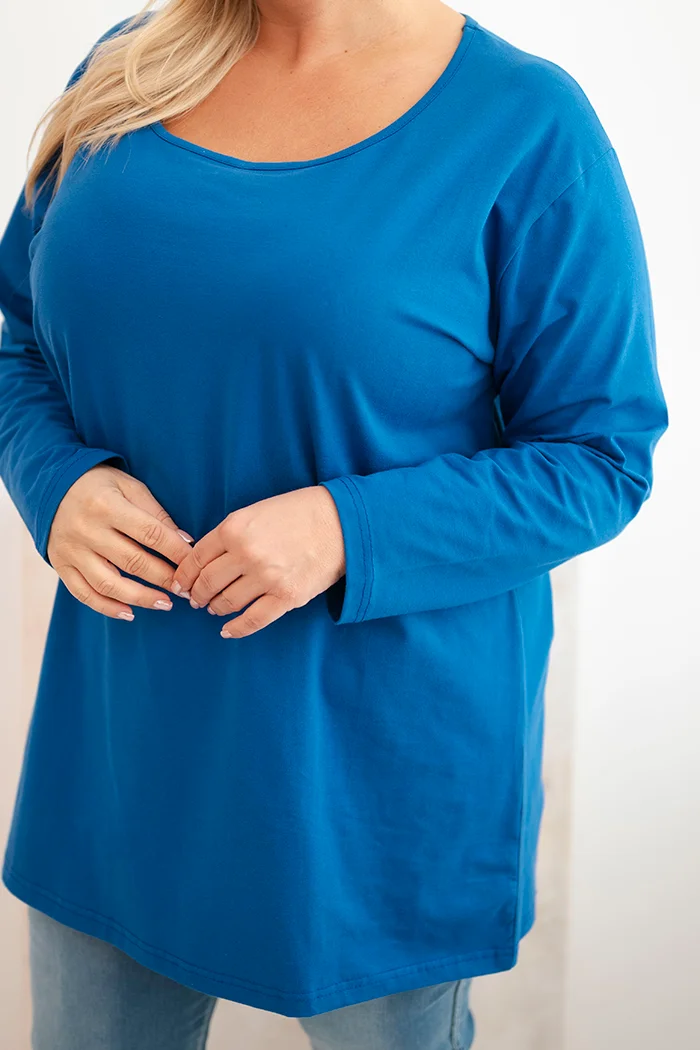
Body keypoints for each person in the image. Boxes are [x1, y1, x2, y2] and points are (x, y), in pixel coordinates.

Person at [0, 1, 668, 1048]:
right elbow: (15, 336)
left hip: (375, 781)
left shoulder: (525, 124)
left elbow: (600, 455)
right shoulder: (129, 69)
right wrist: (56, 480)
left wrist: (347, 530)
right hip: (122, 747)